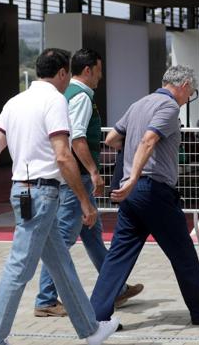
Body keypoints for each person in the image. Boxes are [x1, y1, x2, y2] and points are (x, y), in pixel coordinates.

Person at [0, 48, 119, 345]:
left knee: (61, 265)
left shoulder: (14, 102)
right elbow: (62, 155)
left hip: (22, 190)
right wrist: (85, 200)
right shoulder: (55, 101)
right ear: (61, 73)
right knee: (19, 268)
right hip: (43, 193)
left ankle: (91, 330)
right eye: (66, 75)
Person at [89, 65, 199, 325]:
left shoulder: (139, 104)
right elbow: (149, 140)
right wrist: (134, 175)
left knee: (118, 256)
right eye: (191, 92)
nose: (189, 97)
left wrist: (131, 163)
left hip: (133, 197)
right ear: (185, 85)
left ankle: (95, 316)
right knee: (182, 252)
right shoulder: (168, 107)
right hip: (153, 190)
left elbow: (111, 138)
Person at [34, 48, 143, 318]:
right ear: (88, 71)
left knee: (92, 236)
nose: (100, 76)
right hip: (78, 178)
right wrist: (94, 171)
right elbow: (77, 138)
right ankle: (46, 299)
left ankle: (115, 288)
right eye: (99, 70)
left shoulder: (67, 94)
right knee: (62, 239)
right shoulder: (81, 97)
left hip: (72, 176)